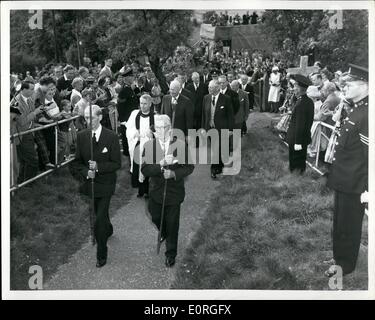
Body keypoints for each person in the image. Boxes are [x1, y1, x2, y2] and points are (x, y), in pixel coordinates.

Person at [325, 64, 368, 277]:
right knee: (340, 222)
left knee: (349, 225)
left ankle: (345, 264)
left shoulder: (368, 113)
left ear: (365, 85)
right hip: (344, 178)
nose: (345, 88)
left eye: (349, 84)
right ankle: (338, 257)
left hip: (355, 182)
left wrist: (369, 187)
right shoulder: (357, 109)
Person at [141, 114, 194, 267]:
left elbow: (189, 167)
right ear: (154, 130)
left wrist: (174, 174)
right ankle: (163, 231)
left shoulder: (180, 145)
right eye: (158, 128)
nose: (161, 131)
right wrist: (161, 164)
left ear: (170, 128)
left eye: (164, 127)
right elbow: (145, 169)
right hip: (156, 191)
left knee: (173, 223)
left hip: (174, 192)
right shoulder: (149, 146)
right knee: (155, 215)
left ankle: (171, 253)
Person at [72, 104, 122, 268]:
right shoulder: (81, 136)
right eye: (86, 117)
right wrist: (87, 172)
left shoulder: (112, 137)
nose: (88, 121)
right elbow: (77, 163)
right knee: (99, 212)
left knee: (98, 218)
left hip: (106, 183)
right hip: (90, 184)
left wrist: (99, 167)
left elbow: (116, 164)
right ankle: (108, 229)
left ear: (100, 117)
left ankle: (102, 252)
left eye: (92, 117)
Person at [201, 79, 234, 179]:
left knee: (217, 149)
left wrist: (230, 130)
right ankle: (219, 166)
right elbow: (204, 114)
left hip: (222, 129)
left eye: (211, 88)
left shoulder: (226, 99)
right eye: (208, 87)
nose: (209, 89)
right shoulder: (206, 98)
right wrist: (203, 128)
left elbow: (230, 115)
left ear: (217, 88)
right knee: (216, 149)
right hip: (210, 128)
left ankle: (214, 169)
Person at [126, 94, 155, 197]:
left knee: (147, 167)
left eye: (145, 104)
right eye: (141, 103)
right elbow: (129, 128)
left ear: (150, 104)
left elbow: (158, 131)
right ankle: (140, 190)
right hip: (138, 144)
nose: (142, 106)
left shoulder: (154, 116)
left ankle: (147, 190)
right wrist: (135, 133)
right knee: (138, 167)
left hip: (149, 144)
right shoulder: (135, 115)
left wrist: (152, 133)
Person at [14, 81, 43, 182]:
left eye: (33, 88)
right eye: (31, 89)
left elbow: (31, 117)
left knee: (26, 160)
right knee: (31, 160)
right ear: (24, 89)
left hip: (30, 132)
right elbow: (22, 122)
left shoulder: (30, 100)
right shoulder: (16, 102)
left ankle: (23, 182)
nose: (33, 91)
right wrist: (35, 112)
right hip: (22, 135)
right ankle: (29, 183)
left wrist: (39, 112)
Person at [286, 74, 314, 173]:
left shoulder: (301, 103)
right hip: (303, 137)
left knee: (295, 161)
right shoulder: (308, 101)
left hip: (297, 138)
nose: (293, 89)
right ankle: (298, 174)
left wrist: (297, 142)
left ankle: (295, 176)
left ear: (299, 88)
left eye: (295, 86)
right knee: (301, 159)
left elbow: (300, 124)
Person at [117, 69, 139, 157]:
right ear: (127, 78)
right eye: (131, 76)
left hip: (132, 118)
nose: (133, 78)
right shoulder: (124, 91)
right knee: (127, 140)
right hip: (127, 120)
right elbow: (120, 107)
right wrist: (123, 120)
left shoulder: (130, 89)